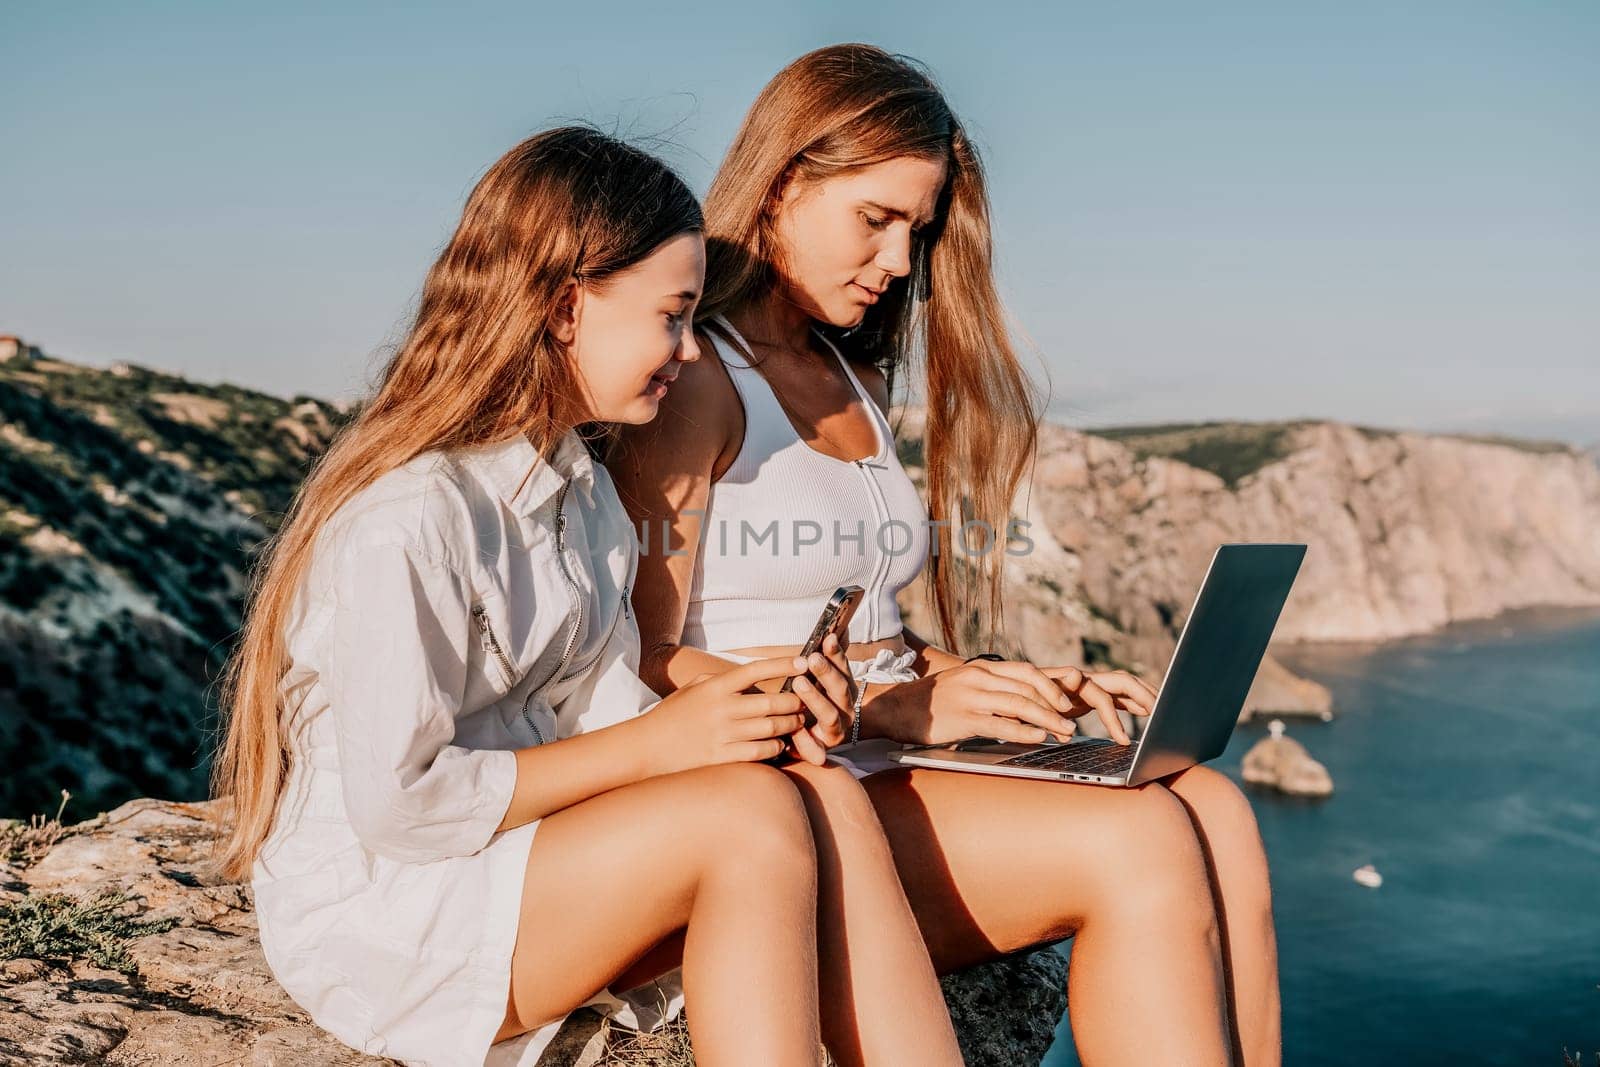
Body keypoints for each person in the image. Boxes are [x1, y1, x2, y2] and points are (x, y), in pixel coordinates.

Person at [208, 126, 961, 1067]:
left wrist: (751, 712)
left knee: (819, 788)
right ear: (567, 309)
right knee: (748, 819)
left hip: (522, 855)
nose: (691, 352)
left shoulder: (584, 495)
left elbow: (606, 708)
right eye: (673, 316)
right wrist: (654, 745)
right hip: (397, 907)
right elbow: (404, 804)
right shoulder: (411, 517)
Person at [607, 45, 1281, 1066]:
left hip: (884, 759)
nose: (894, 261)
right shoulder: (696, 377)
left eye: (914, 231)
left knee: (1214, 804)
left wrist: (996, 683)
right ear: (785, 180)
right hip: (776, 790)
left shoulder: (850, 377)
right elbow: (641, 660)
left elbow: (876, 625)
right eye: (874, 218)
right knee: (1140, 843)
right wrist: (887, 706)